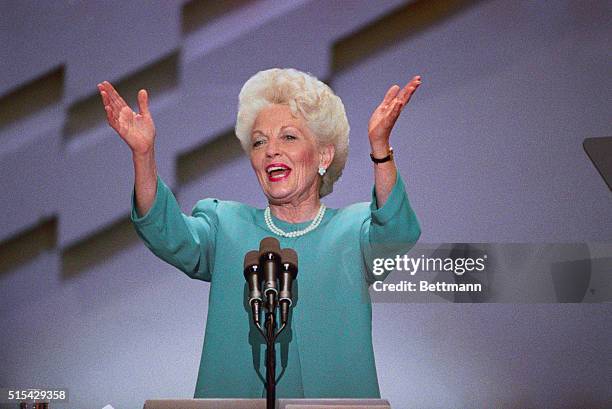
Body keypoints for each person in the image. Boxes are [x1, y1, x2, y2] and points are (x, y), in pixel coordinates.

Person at [97, 68, 421, 398]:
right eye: (259, 141)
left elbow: (396, 233)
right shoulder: (226, 224)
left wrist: (380, 148)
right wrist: (143, 155)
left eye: (289, 137)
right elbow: (165, 230)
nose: (271, 151)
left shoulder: (353, 231)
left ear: (324, 155)